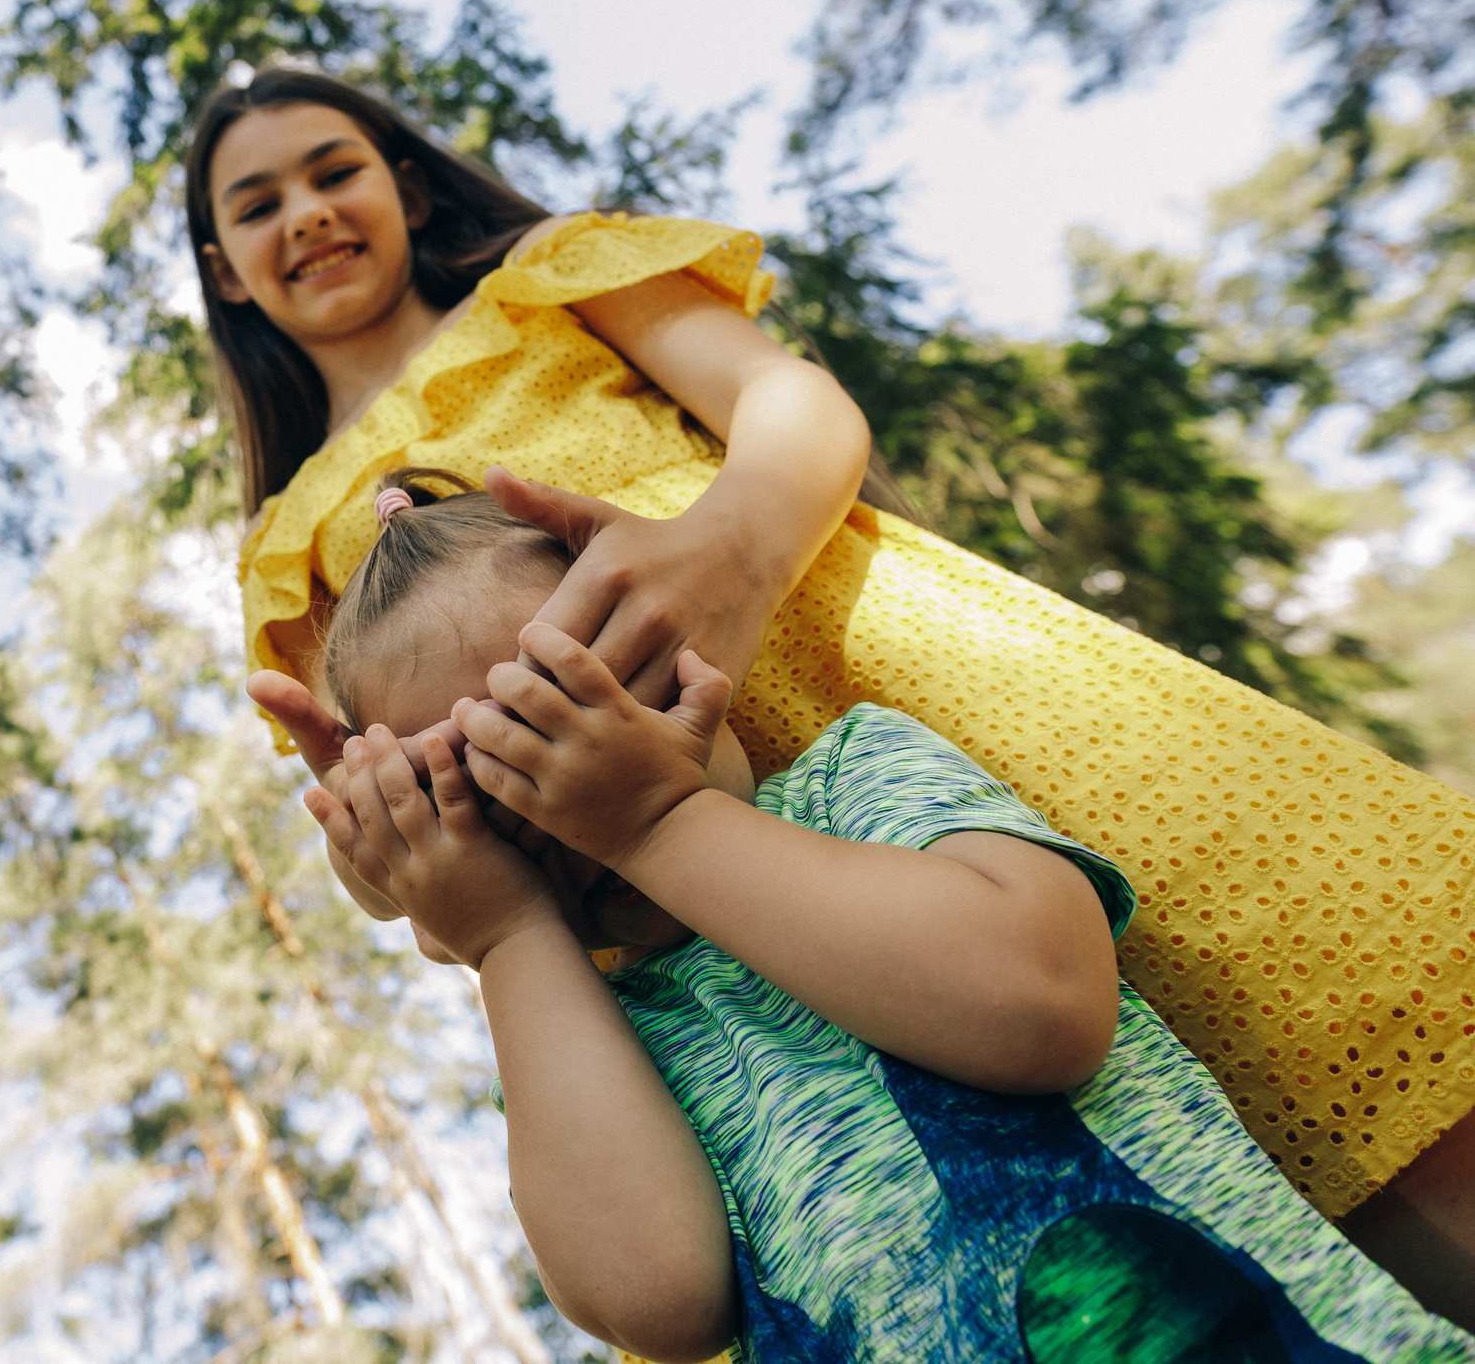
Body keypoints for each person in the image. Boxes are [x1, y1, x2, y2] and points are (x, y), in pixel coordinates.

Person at [184, 66, 1475, 1315]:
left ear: (405, 187)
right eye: (256, 205)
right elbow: (379, 831)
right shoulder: (285, 552)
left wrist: (730, 542)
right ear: (224, 268)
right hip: (679, 927)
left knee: (1294, 1003)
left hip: (918, 682)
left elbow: (790, 403)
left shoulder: (545, 289)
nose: (303, 213)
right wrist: (406, 863)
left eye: (332, 170)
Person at [304, 472, 1472, 1362]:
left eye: (570, 711)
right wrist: (507, 938)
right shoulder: (580, 1018)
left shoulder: (858, 780)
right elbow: (655, 1300)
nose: (565, 799)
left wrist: (653, 821)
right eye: (485, 790)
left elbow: (1040, 1009)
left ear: (684, 648)